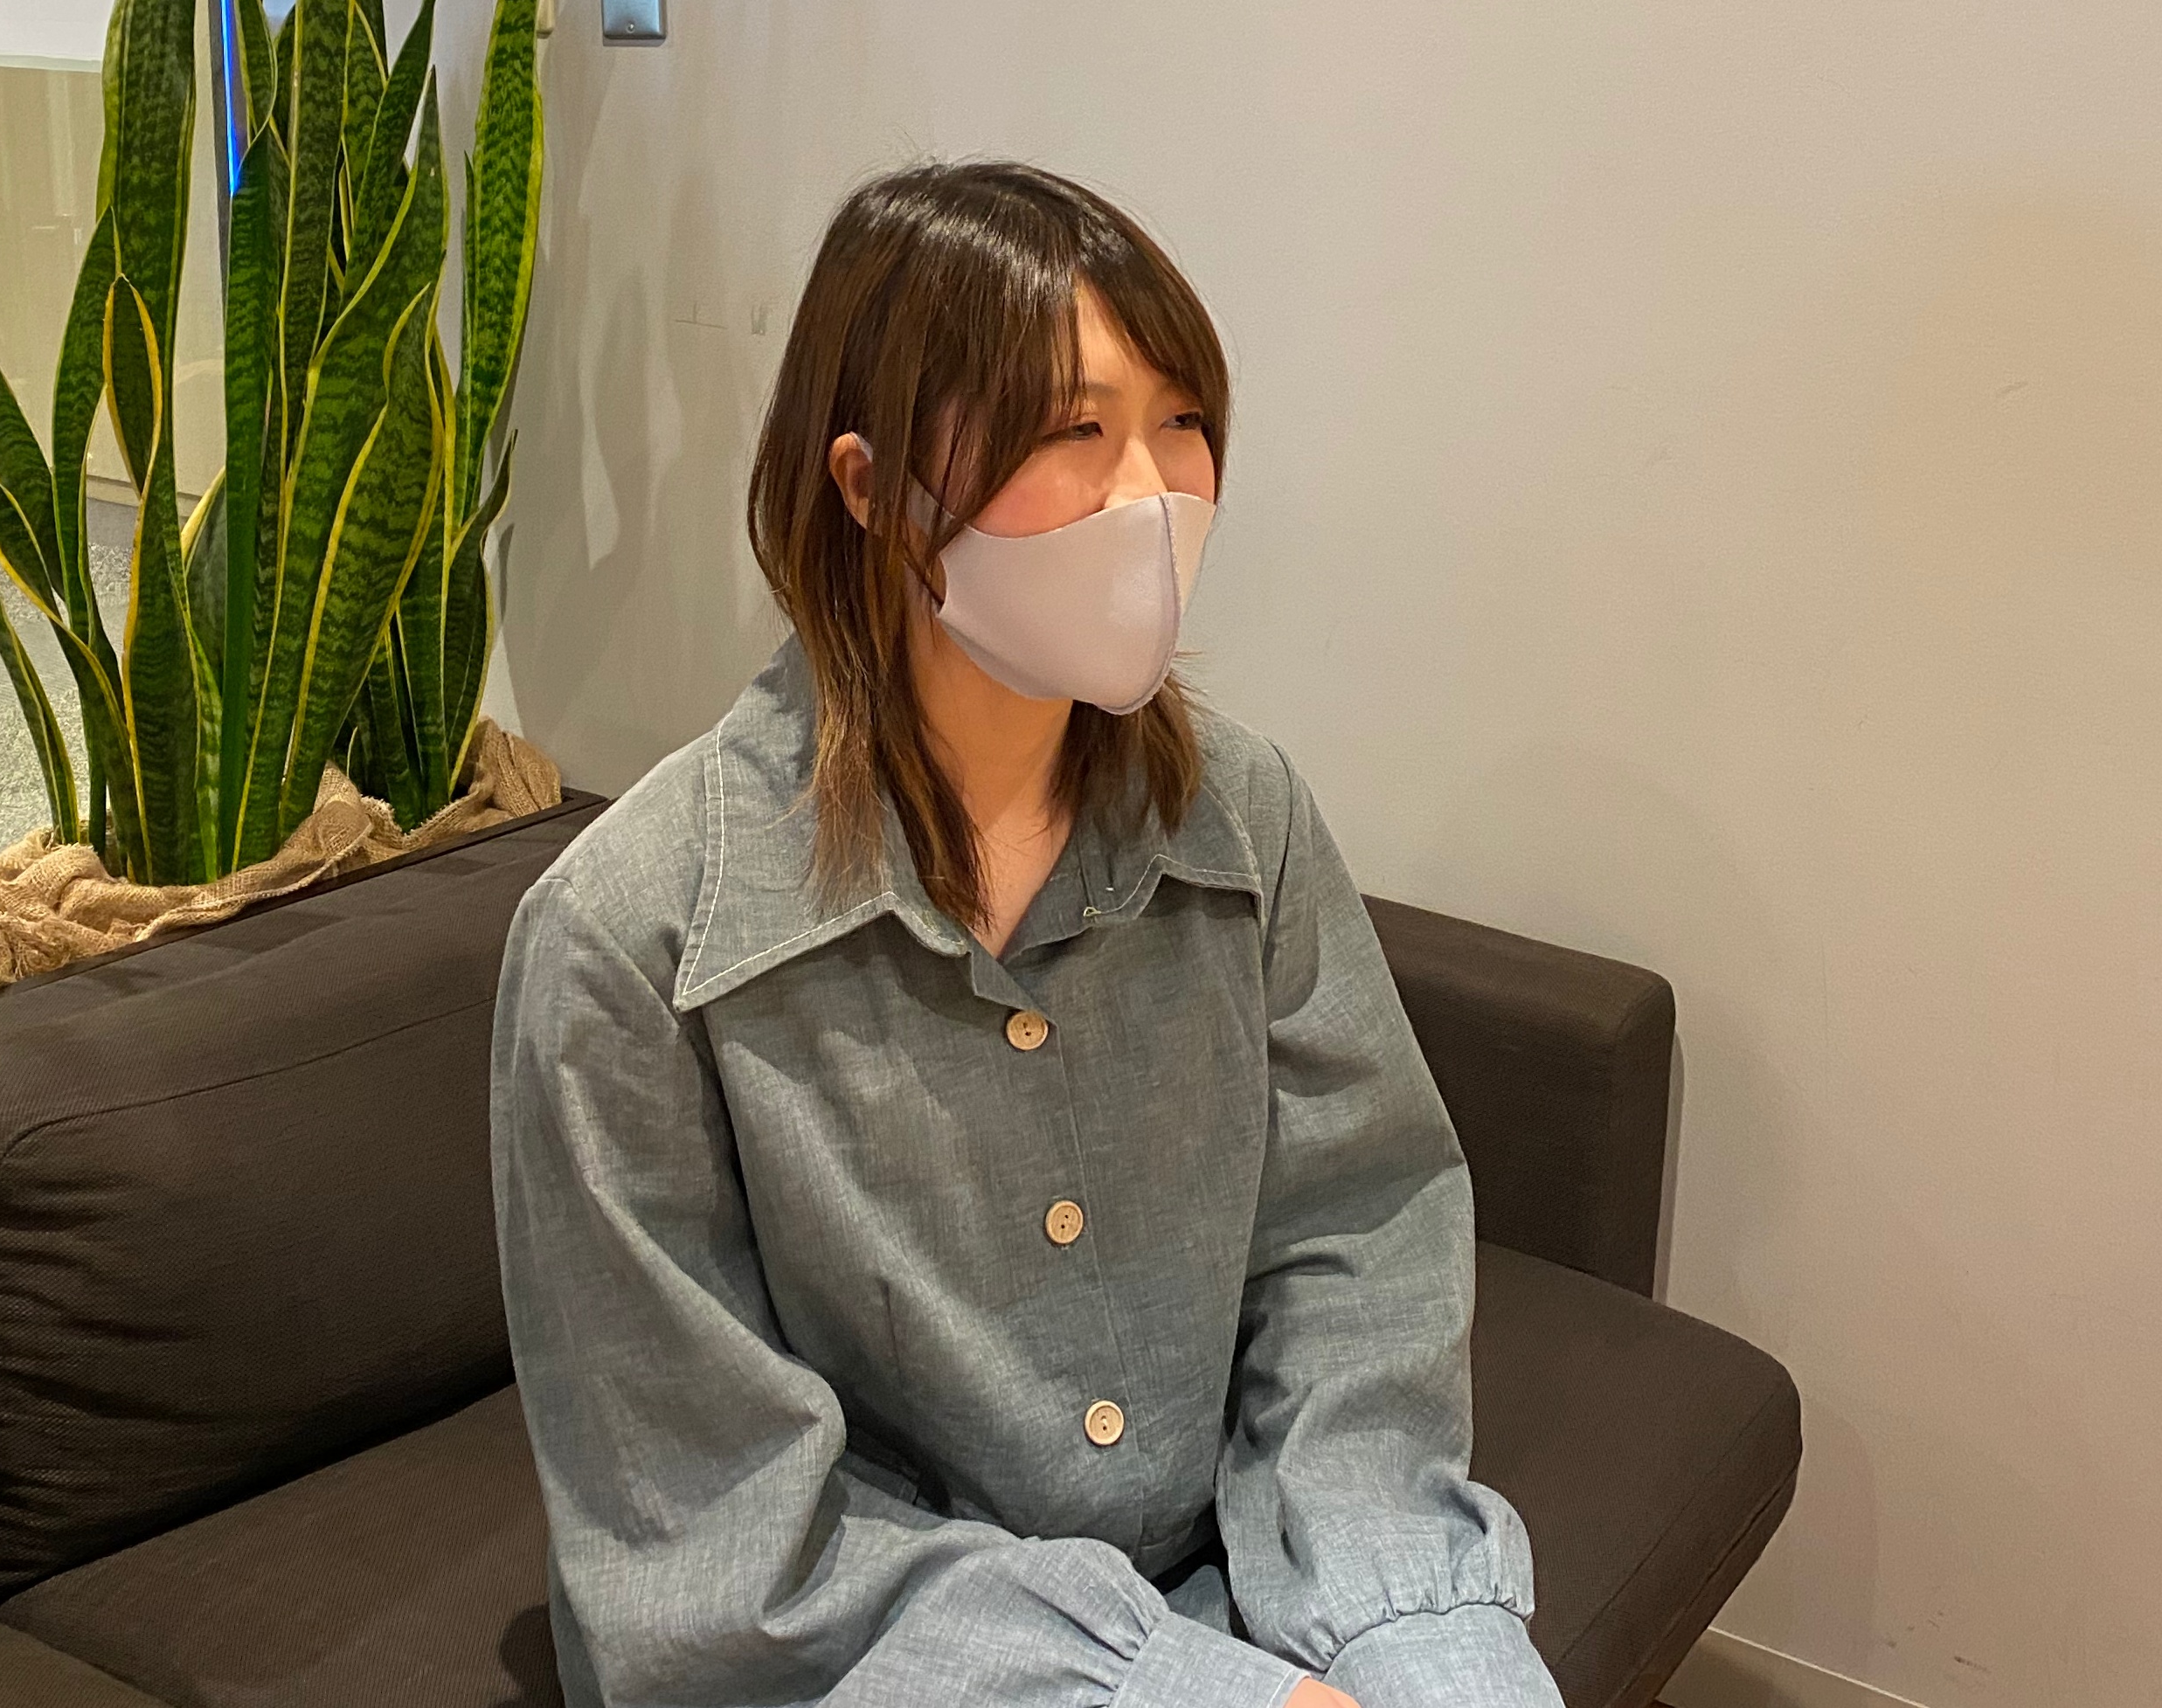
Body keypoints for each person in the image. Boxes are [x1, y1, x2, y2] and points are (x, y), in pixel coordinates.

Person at [493, 161, 1558, 1708]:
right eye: (1072, 431)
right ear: (868, 487)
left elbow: (1356, 1237)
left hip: (1249, 1583)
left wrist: (1411, 1640)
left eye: (1180, 421)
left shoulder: (1241, 816)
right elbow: (712, 1546)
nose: (1151, 496)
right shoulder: (629, 943)